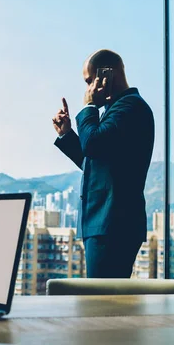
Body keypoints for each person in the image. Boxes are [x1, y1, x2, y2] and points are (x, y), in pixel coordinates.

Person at [52, 49, 155, 278]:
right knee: (103, 300)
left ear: (108, 74)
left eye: (90, 80)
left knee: (102, 302)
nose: (88, 88)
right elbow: (96, 163)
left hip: (114, 224)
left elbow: (93, 144)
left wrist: (89, 108)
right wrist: (67, 135)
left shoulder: (130, 108)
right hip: (106, 224)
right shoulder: (115, 110)